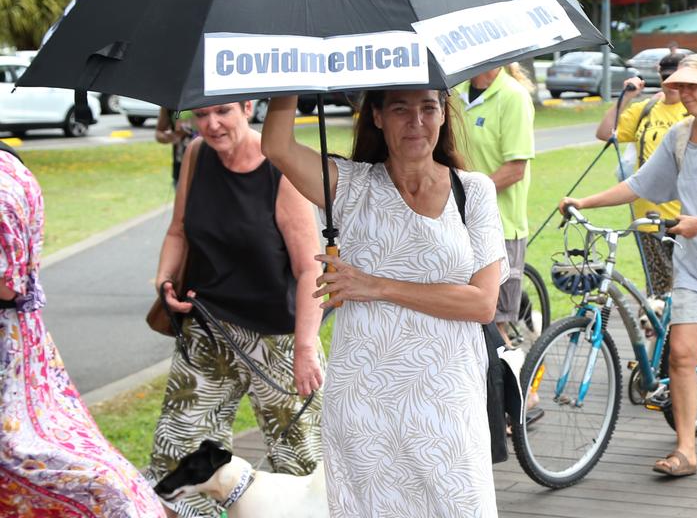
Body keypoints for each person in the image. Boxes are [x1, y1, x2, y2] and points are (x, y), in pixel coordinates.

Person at [262, 90, 506, 516]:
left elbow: (482, 303)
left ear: (443, 115)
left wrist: (375, 285)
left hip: (448, 399)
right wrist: (293, 73)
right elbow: (276, 146)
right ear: (376, 117)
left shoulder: (474, 193)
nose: (416, 121)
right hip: (366, 405)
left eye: (428, 108)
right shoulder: (349, 187)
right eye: (400, 109)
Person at [561, 53, 697, 478]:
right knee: (680, 354)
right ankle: (686, 449)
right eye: (680, 86)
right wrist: (583, 201)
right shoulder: (678, 138)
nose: (684, 93)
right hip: (693, 265)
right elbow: (638, 184)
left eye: (693, 86)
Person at [145, 101, 324, 518]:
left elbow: (309, 269)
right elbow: (178, 231)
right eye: (200, 114)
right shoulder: (196, 154)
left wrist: (305, 347)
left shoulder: (280, 170)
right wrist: (164, 279)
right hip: (208, 328)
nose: (210, 124)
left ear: (248, 107)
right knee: (177, 461)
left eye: (223, 111)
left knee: (304, 466)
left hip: (278, 340)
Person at [0, 150, 167, 518]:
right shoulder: (12, 167)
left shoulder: (4, 183)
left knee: (30, 453)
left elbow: (8, 285)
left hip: (11, 348)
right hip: (24, 343)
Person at [594, 53, 687, 295]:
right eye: (666, 77)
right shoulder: (645, 110)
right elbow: (605, 132)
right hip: (648, 219)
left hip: (688, 217)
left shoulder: (692, 111)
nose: (671, 84)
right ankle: (660, 333)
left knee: (689, 291)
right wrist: (625, 97)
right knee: (658, 292)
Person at [455, 64, 535, 344]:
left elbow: (515, 169)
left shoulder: (513, 96)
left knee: (495, 329)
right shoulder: (454, 94)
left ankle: (524, 389)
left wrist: (467, 199)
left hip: (500, 228)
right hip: (456, 223)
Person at [155, 107, 197, 186]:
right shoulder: (170, 101)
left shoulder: (206, 97)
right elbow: (159, 133)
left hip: (209, 165)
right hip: (181, 167)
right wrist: (174, 137)